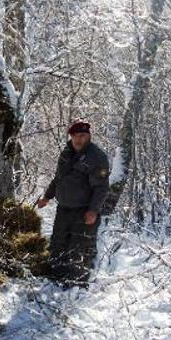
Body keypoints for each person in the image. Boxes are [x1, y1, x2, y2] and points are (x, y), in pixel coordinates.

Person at [37, 121, 110, 289]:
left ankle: (77, 285)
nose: (78, 139)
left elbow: (101, 187)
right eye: (75, 136)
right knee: (58, 243)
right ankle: (56, 279)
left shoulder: (96, 157)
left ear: (89, 136)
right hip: (63, 208)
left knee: (80, 247)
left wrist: (93, 210)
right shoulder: (66, 152)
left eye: (82, 136)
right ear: (71, 136)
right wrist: (47, 197)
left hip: (84, 211)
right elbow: (58, 178)